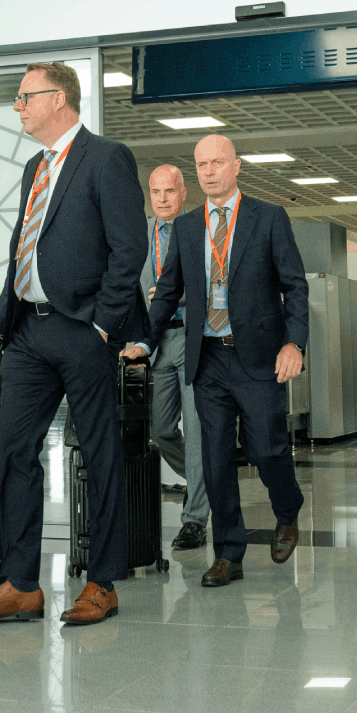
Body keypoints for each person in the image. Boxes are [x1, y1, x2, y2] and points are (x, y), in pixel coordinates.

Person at [0, 62, 147, 626]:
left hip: (82, 330)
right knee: (14, 449)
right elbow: (23, 248)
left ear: (58, 98)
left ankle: (102, 583)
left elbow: (129, 249)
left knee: (97, 452)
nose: (17, 107)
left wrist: (103, 326)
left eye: (25, 97)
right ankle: (20, 584)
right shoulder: (34, 168)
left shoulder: (106, 158)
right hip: (27, 333)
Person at [122, 134, 310, 587]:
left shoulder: (268, 217)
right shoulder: (188, 227)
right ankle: (228, 552)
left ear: (236, 166)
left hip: (258, 358)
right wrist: (145, 342)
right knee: (216, 458)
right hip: (206, 359)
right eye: (202, 164)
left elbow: (295, 286)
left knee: (267, 449)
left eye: (217, 163)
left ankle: (288, 510)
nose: (209, 171)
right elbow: (167, 293)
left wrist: (294, 344)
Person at [142, 165, 210, 550]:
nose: (163, 199)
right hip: (156, 342)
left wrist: (173, 295)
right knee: (160, 428)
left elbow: (215, 282)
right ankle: (205, 481)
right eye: (156, 192)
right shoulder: (140, 234)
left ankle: (195, 518)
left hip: (191, 337)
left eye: (169, 191)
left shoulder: (201, 230)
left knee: (197, 432)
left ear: (184, 193)